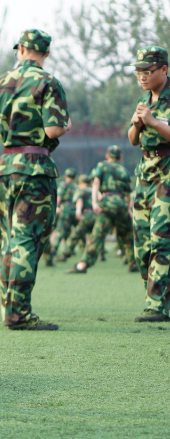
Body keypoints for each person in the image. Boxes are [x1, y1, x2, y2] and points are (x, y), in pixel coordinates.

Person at [0, 29, 70, 330]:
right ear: (46, 53)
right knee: (26, 240)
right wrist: (65, 124)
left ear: (20, 49)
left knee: (11, 239)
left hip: (5, 165)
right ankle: (18, 314)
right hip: (35, 167)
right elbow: (54, 130)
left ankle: (9, 308)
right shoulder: (48, 82)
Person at [127, 46, 170, 322]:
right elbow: (132, 140)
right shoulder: (144, 100)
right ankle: (155, 296)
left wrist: (152, 121)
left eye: (148, 71)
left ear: (164, 69)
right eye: (138, 72)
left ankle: (156, 305)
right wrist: (137, 125)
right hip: (144, 173)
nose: (142, 77)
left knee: (162, 239)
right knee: (141, 243)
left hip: (167, 173)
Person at [66, 146, 136, 274]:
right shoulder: (124, 171)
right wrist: (128, 209)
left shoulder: (102, 166)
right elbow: (128, 194)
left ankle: (83, 264)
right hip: (121, 204)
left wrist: (94, 202)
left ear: (107, 156)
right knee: (127, 236)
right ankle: (133, 263)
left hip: (107, 205)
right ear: (120, 158)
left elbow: (96, 182)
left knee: (97, 236)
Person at [53, 169, 78, 261]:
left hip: (65, 209)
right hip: (75, 209)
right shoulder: (76, 186)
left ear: (65, 176)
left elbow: (59, 196)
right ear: (75, 177)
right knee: (77, 231)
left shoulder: (64, 185)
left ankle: (53, 249)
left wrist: (57, 206)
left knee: (61, 230)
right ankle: (71, 249)